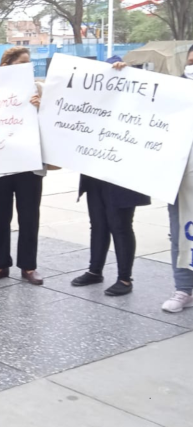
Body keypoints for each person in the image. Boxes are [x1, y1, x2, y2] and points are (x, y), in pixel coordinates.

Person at [69, 57, 151, 296]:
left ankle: (125, 278)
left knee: (120, 225)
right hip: (95, 174)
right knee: (98, 225)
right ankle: (95, 271)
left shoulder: (135, 103)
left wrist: (125, 71)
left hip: (122, 175)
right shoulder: (93, 102)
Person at [0, 47, 47, 286]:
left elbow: (57, 122)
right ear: (6, 66)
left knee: (29, 216)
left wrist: (43, 108)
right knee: (0, 216)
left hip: (29, 163)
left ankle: (29, 266)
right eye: (21, 63)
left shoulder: (39, 90)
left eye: (29, 63)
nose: (27, 67)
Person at [164, 45, 193, 312]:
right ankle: (183, 289)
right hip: (180, 179)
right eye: (191, 59)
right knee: (180, 235)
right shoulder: (173, 91)